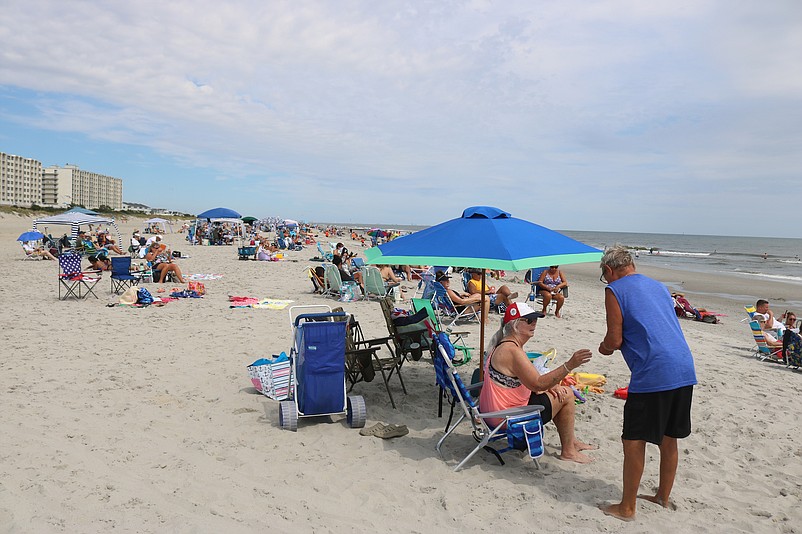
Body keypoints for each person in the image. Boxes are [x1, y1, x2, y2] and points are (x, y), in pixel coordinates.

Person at [598, 245, 697, 521]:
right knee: (669, 438)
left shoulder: (614, 290)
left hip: (654, 371)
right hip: (683, 366)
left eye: (605, 276)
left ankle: (627, 507)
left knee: (633, 440)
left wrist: (604, 348)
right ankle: (662, 497)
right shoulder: (658, 286)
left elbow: (615, 339)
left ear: (609, 270)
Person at [478, 302, 595, 463]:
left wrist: (551, 385)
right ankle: (568, 450)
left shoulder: (505, 345)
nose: (534, 323)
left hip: (493, 413)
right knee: (567, 395)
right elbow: (538, 384)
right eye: (529, 320)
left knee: (558, 390)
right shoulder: (512, 350)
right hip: (504, 418)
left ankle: (571, 442)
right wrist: (570, 365)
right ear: (515, 324)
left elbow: (526, 380)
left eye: (535, 319)